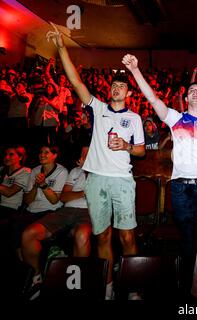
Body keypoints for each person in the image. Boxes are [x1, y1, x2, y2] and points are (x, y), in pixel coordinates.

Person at [46, 23, 145, 299]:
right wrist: (61, 47)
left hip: (123, 181)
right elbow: (76, 81)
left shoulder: (134, 118)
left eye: (121, 86)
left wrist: (126, 145)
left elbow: (141, 152)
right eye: (113, 85)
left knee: (127, 237)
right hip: (97, 180)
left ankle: (134, 287)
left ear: (128, 93)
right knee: (102, 236)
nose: (116, 88)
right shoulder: (98, 108)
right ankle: (108, 286)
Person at [122, 54, 197, 290]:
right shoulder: (176, 118)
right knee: (189, 240)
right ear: (185, 97)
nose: (194, 92)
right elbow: (151, 97)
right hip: (182, 187)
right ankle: (192, 289)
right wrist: (135, 70)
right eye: (190, 89)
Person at [21, 147, 92, 299]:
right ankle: (37, 278)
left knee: (81, 236)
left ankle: (79, 285)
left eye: (86, 154)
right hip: (66, 211)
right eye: (81, 153)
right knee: (29, 234)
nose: (82, 156)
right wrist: (84, 193)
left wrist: (88, 172)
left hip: (88, 211)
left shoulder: (101, 171)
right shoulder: (74, 171)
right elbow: (64, 197)